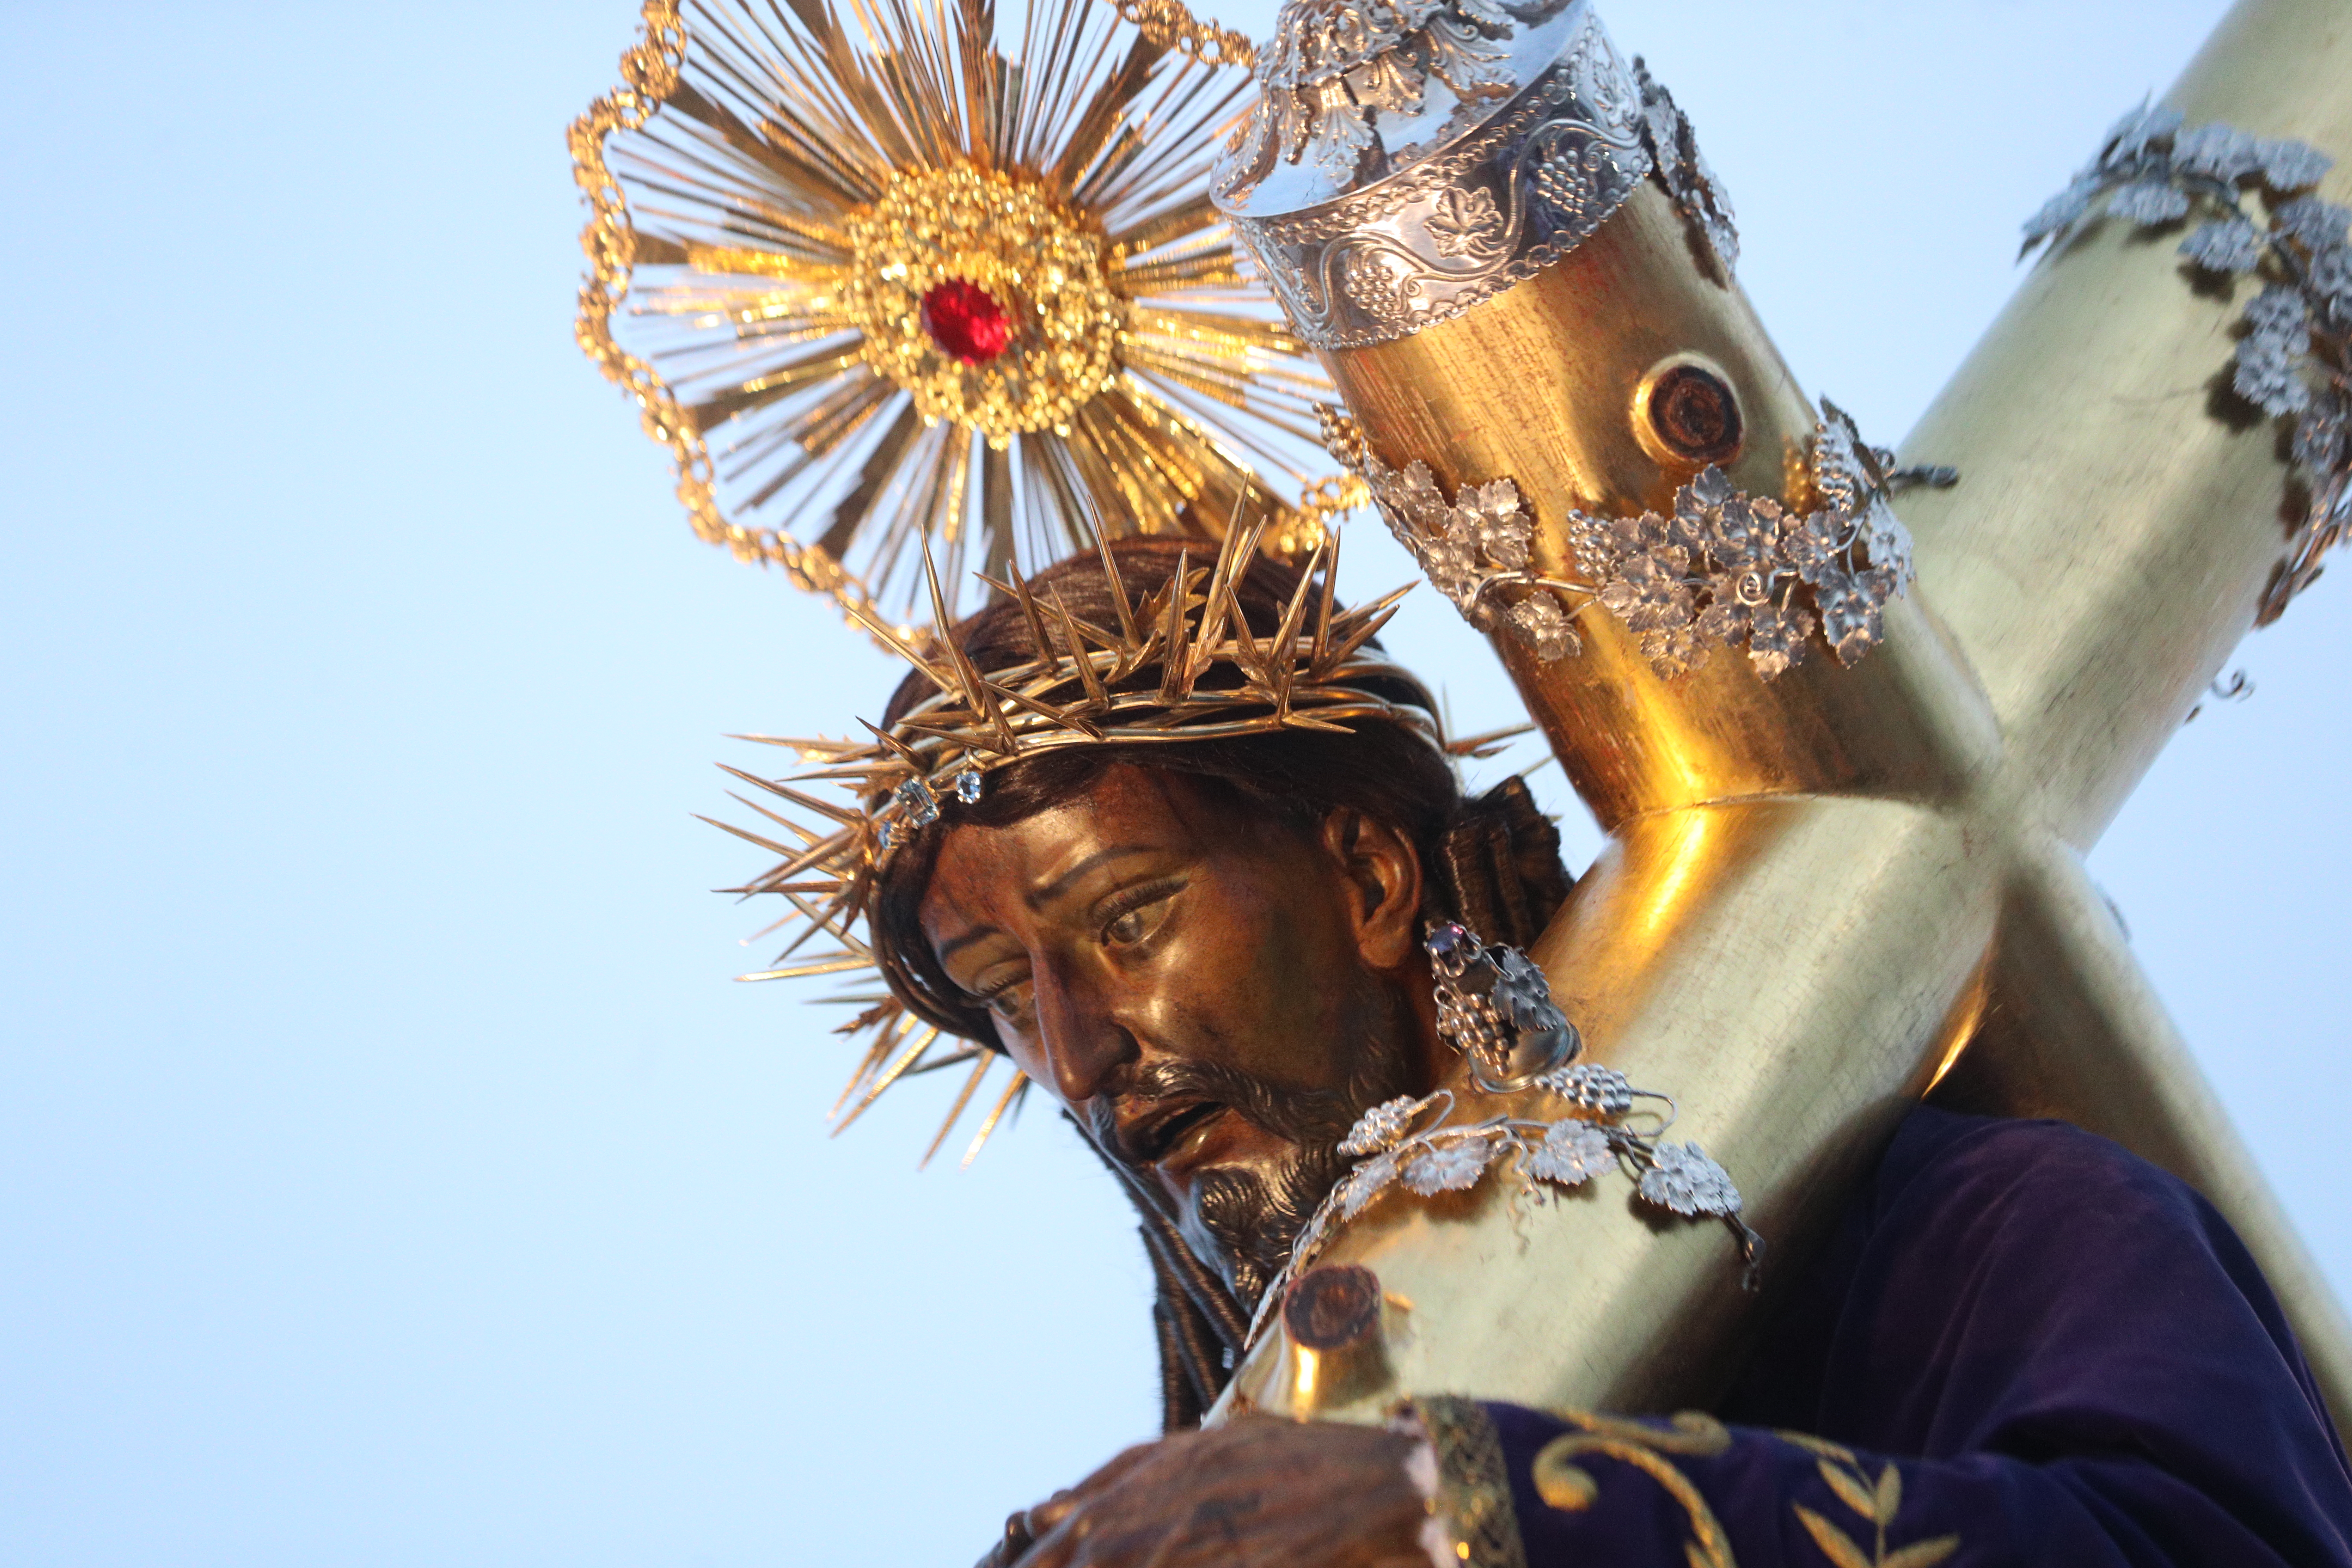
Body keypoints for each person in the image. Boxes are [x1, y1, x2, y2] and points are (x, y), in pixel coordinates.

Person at [763, 537, 2352, 1567]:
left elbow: (2214, 1545)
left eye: (1127, 919)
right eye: (997, 991)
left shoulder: (1956, 1230)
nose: (1076, 1050)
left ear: (1372, 883)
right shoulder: (1195, 1500)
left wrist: (1471, 1508)